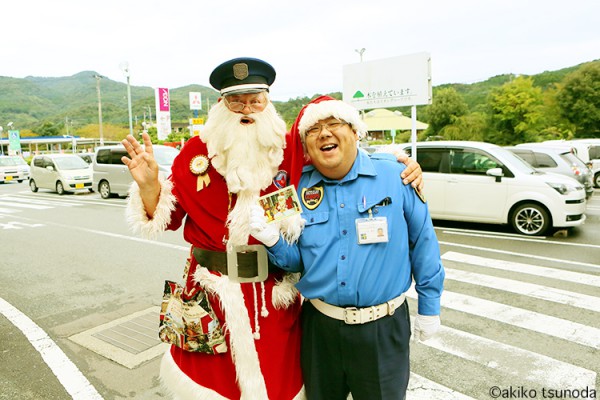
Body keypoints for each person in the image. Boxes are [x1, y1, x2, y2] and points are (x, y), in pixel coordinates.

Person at [122, 57, 423, 400]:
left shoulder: (289, 151)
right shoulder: (195, 152)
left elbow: (341, 152)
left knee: (282, 384)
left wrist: (397, 161)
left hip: (274, 298)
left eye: (255, 99)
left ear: (267, 102)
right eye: (236, 100)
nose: (246, 108)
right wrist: (149, 186)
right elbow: (168, 217)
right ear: (221, 103)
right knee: (211, 389)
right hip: (212, 298)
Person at [250, 96, 445, 400]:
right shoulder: (292, 189)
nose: (324, 133)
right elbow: (295, 262)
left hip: (383, 328)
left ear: (355, 132)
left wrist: (430, 307)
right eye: (313, 129)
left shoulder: (397, 175)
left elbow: (424, 244)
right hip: (320, 330)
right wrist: (272, 239)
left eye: (333, 124)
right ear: (305, 145)